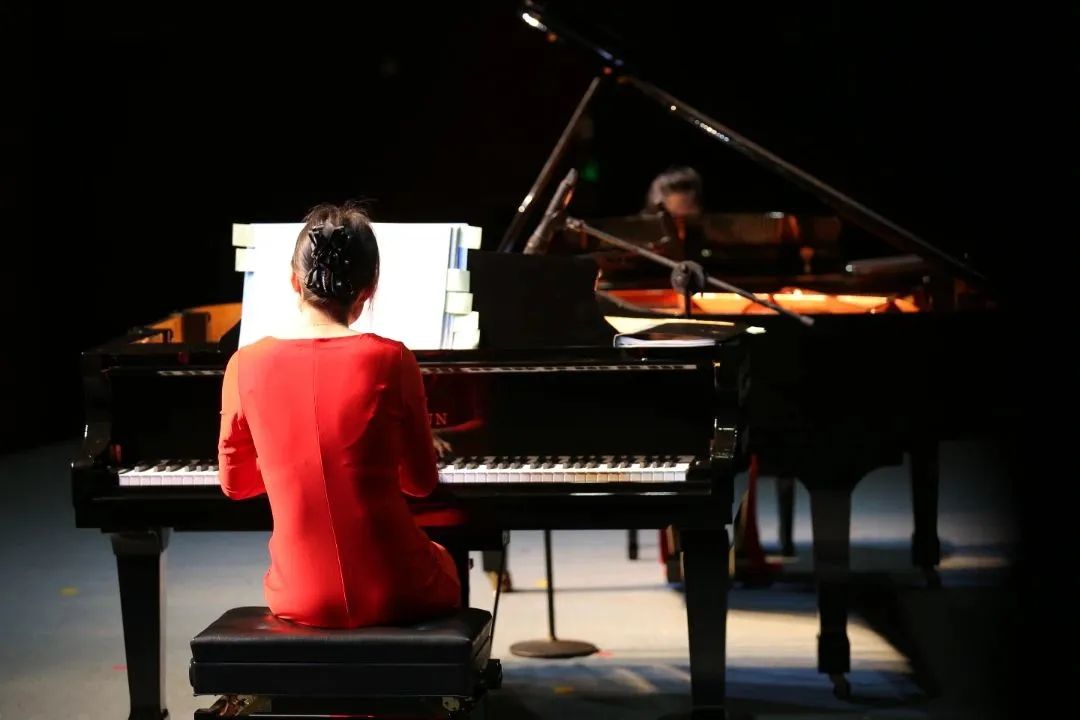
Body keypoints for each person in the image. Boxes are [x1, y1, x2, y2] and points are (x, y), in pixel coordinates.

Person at [217, 201, 461, 628]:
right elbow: (420, 484)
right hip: (397, 588)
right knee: (442, 560)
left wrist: (292, 461)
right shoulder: (393, 359)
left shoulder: (245, 364)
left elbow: (235, 486)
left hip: (299, 594)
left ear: (294, 281)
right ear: (370, 287)